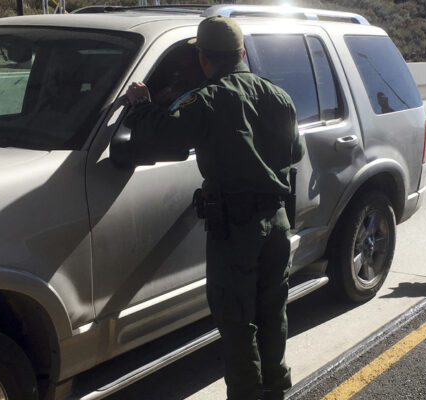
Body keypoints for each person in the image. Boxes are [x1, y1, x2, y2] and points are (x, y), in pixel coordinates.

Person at [122, 16, 304, 400]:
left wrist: (140, 105)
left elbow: (162, 136)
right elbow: (296, 152)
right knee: (273, 310)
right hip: (277, 222)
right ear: (242, 53)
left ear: (204, 59)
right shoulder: (279, 96)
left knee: (237, 319)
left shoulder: (206, 99)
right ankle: (275, 388)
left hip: (236, 228)